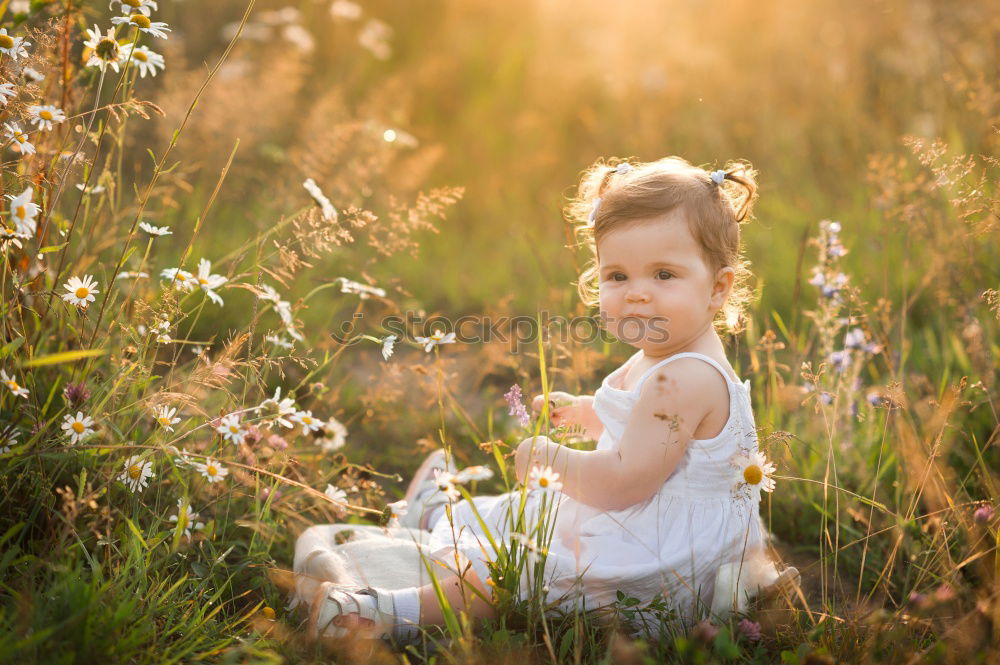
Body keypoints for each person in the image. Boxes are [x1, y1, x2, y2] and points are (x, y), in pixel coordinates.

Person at [304, 156, 797, 646]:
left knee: (516, 567)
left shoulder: (685, 378)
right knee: (525, 516)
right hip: (657, 526)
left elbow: (628, 481)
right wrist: (585, 411)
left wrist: (549, 459)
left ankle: (388, 613)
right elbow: (638, 422)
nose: (637, 294)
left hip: (663, 562)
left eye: (664, 275)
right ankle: (436, 516)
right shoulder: (667, 355)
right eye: (618, 276)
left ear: (718, 287)